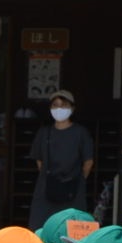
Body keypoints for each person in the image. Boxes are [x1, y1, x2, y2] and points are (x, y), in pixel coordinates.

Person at [28, 89, 93, 219]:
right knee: (42, 228)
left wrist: (77, 180)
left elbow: (88, 162)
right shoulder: (44, 133)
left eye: (64, 105)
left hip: (74, 190)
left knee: (71, 228)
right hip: (46, 190)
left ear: (72, 109)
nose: (59, 109)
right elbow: (39, 161)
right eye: (55, 105)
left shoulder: (81, 133)